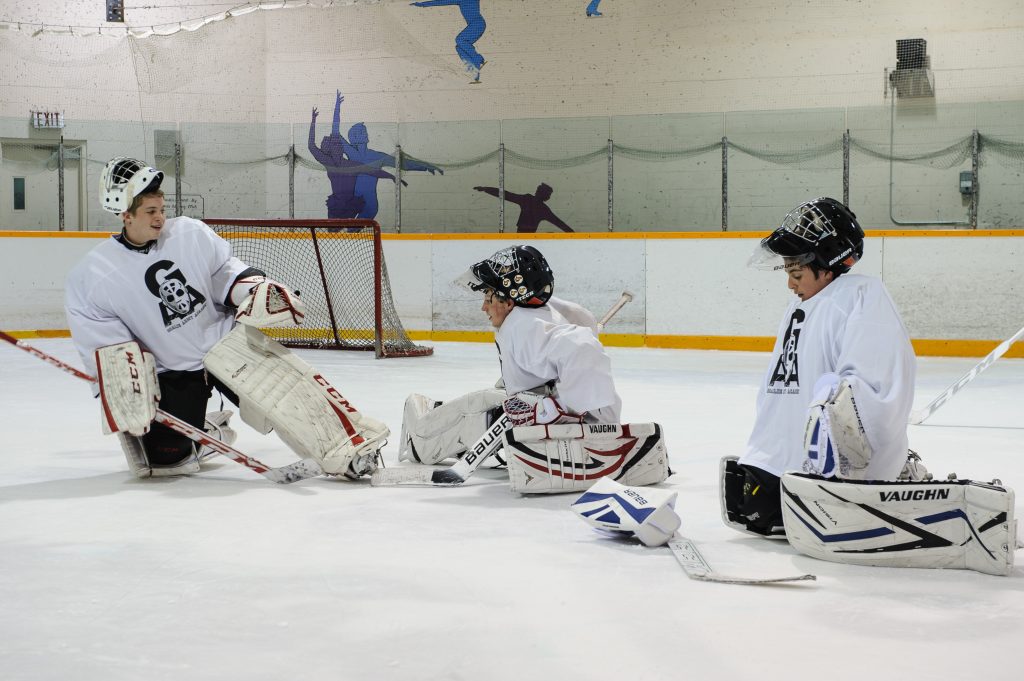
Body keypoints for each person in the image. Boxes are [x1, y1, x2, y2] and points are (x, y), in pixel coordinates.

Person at [65, 156, 388, 479]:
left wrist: (254, 290)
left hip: (228, 345)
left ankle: (350, 448)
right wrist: (124, 388)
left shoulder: (188, 233)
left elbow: (224, 272)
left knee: (295, 399)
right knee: (169, 462)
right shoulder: (93, 275)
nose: (160, 218)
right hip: (172, 373)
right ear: (125, 214)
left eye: (162, 209)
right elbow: (107, 346)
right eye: (150, 212)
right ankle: (203, 433)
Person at [720, 197, 924, 537]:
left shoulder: (848, 298)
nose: (790, 284)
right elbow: (876, 392)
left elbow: (869, 385)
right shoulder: (826, 302)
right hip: (797, 481)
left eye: (796, 273)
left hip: (789, 482)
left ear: (828, 266)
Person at [398, 245, 668, 493]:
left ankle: (425, 435)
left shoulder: (525, 328)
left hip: (566, 426)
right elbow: (583, 322)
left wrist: (553, 409)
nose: (484, 306)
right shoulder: (541, 309)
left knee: (424, 438)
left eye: (489, 297)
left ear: (509, 299)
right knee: (494, 392)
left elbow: (584, 347)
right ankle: (443, 416)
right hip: (556, 410)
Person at [307, 92, 398, 220]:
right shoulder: (329, 163)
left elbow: (373, 171)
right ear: (333, 150)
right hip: (337, 205)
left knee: (351, 229)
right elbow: (312, 145)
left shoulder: (351, 165)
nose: (336, 148)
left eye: (338, 146)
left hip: (351, 205)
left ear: (341, 150)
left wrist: (391, 176)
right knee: (333, 231)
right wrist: (313, 120)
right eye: (334, 146)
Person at [473, 183, 574, 233]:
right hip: (525, 236)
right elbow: (559, 223)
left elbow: (507, 195)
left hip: (522, 235)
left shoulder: (528, 200)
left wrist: (486, 189)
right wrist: (573, 235)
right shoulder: (541, 207)